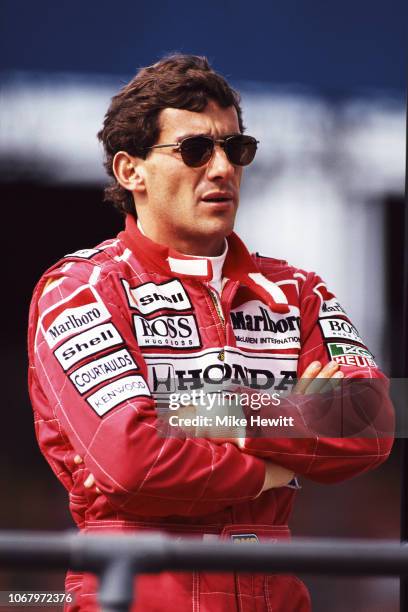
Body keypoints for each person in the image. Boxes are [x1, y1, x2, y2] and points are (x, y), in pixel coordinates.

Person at [28, 54, 394, 611]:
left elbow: (373, 423)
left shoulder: (299, 290)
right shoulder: (79, 289)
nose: (223, 168)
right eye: (196, 150)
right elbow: (131, 460)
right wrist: (279, 453)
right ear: (131, 171)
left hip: (274, 590)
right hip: (136, 592)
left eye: (236, 149)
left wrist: (215, 411)